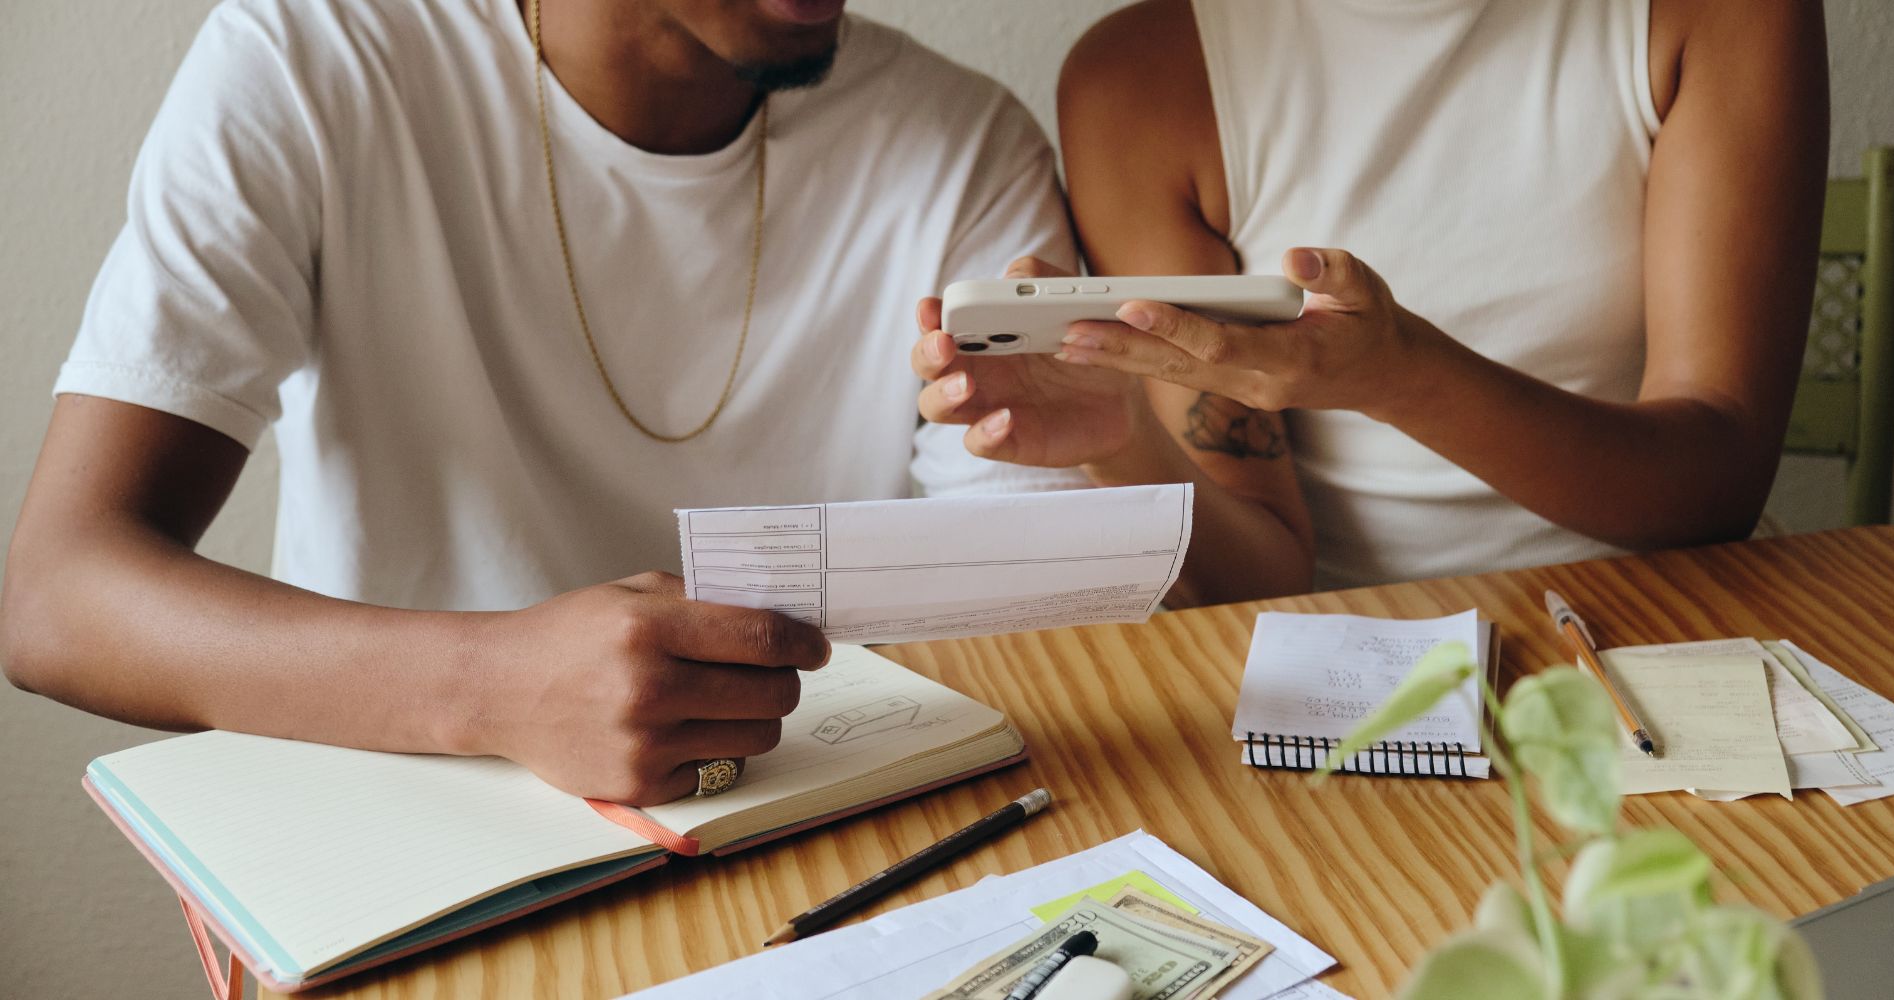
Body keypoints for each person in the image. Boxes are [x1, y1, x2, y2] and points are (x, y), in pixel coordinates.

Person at [0, 0, 1130, 807]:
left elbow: (1022, 645)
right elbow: (58, 596)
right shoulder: (314, 55)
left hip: (823, 807)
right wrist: (491, 686)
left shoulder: (963, 142)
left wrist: (1093, 477)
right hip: (410, 824)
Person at [915, 0, 1827, 591]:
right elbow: (1265, 569)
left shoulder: (1715, 15)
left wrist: (1404, 379)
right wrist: (1126, 447)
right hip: (1344, 670)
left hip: (1675, 627)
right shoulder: (1140, 77)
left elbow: (1717, 483)